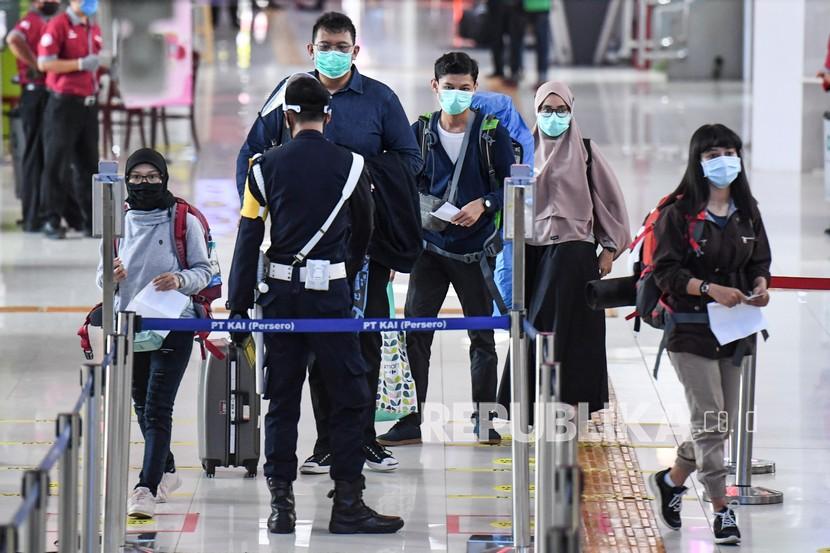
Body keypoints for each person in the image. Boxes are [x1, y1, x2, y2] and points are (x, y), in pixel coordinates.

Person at [236, 11, 422, 476]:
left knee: (367, 343)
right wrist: (263, 200)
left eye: (342, 46)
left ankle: (363, 440)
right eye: (326, 45)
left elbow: (409, 160)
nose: (334, 54)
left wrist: (355, 170)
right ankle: (324, 445)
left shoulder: (379, 99)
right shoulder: (287, 96)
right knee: (315, 352)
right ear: (310, 50)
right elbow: (251, 157)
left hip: (366, 246)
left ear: (355, 51)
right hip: (302, 250)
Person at [227, 75, 403, 535]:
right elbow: (364, 232)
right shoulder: (352, 167)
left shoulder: (262, 168)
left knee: (281, 400)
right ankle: (348, 502)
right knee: (348, 396)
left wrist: (238, 307)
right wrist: (338, 271)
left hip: (280, 300)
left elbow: (248, 241)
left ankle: (281, 506)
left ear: (286, 117)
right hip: (331, 301)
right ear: (329, 115)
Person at [377, 53, 514, 447]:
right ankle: (410, 420)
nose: (456, 95)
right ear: (434, 87)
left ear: (475, 88)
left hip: (475, 254)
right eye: (449, 87)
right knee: (416, 334)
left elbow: (510, 185)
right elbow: (400, 189)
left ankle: (485, 417)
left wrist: (485, 204)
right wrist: (394, 249)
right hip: (429, 251)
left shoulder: (491, 133)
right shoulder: (418, 132)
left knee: (482, 335)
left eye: (464, 88)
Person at [649, 124, 771, 546]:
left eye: (731, 151)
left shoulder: (746, 210)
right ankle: (721, 510)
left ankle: (672, 479)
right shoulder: (678, 214)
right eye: (714, 153)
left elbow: (760, 260)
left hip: (735, 333)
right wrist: (707, 288)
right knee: (710, 419)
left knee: (719, 424)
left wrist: (760, 286)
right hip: (690, 330)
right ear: (698, 160)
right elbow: (665, 272)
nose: (724, 160)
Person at [497, 81, 630, 417]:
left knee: (559, 323)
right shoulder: (521, 149)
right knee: (532, 323)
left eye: (561, 110)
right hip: (529, 250)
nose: (553, 117)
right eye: (546, 110)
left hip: (573, 249)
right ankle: (530, 398)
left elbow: (610, 200)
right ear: (536, 111)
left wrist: (609, 249)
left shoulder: (585, 151)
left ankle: (559, 400)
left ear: (571, 111)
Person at [95, 148, 212, 519]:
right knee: (142, 404)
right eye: (137, 177)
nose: (144, 184)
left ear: (164, 177)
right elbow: (101, 278)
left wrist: (179, 279)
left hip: (174, 323)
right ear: (126, 181)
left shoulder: (182, 220)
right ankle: (167, 469)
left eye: (152, 177)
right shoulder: (119, 222)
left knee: (159, 406)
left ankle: (145, 486)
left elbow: (204, 271)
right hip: (132, 324)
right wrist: (109, 278)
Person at [37, 0, 103, 239]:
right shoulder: (58, 25)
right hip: (63, 105)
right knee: (57, 164)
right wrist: (78, 64)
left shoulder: (93, 27)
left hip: (88, 105)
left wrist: (104, 70)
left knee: (89, 166)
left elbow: (96, 61)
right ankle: (51, 220)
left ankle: (89, 220)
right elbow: (44, 63)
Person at [6, 0, 61, 233]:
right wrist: (36, 64)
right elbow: (13, 39)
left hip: (44, 94)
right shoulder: (31, 21)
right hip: (35, 93)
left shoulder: (47, 22)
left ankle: (38, 215)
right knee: (35, 157)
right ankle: (33, 217)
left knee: (41, 156)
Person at [510, 0, 551, 89]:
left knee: (541, 42)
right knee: (516, 40)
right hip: (521, 5)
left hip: (539, 5)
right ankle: (517, 73)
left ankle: (542, 76)